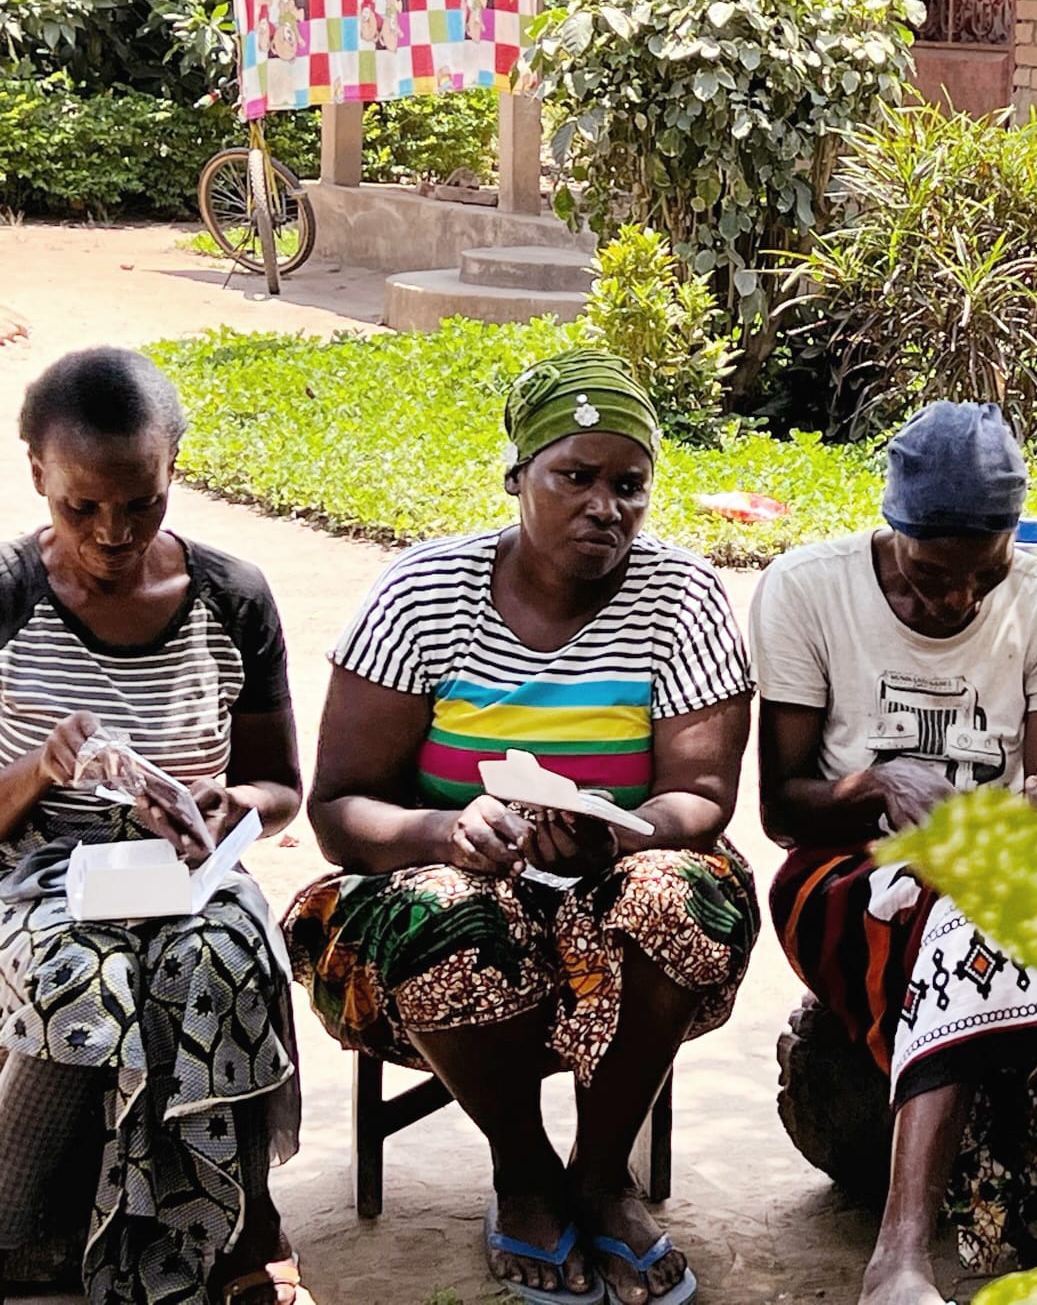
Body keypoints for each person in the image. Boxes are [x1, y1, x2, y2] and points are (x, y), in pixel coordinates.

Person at [283, 349, 756, 1305]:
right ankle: (526, 1171)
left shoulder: (684, 598)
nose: (604, 506)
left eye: (629, 485)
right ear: (517, 480)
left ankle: (601, 1173)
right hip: (443, 891)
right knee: (445, 913)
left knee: (676, 891)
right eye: (573, 476)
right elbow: (338, 807)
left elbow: (701, 796)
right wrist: (445, 832)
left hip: (614, 884)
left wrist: (618, 834)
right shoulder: (421, 593)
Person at [755, 402, 1037, 1305]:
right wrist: (877, 784)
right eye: (934, 573)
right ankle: (897, 1253)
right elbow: (782, 810)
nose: (960, 598)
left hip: (993, 868)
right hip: (842, 869)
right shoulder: (807, 588)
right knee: (966, 909)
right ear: (891, 529)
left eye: (987, 571)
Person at [0, 348, 305, 1305]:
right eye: (80, 507)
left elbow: (280, 785)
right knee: (84, 980)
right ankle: (21, 1226)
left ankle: (243, 1224)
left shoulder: (232, 596)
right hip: (36, 869)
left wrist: (232, 807)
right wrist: (41, 770)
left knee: (214, 962)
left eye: (142, 503)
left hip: (189, 868)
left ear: (174, 467)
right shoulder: (7, 597)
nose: (112, 532)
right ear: (37, 474)